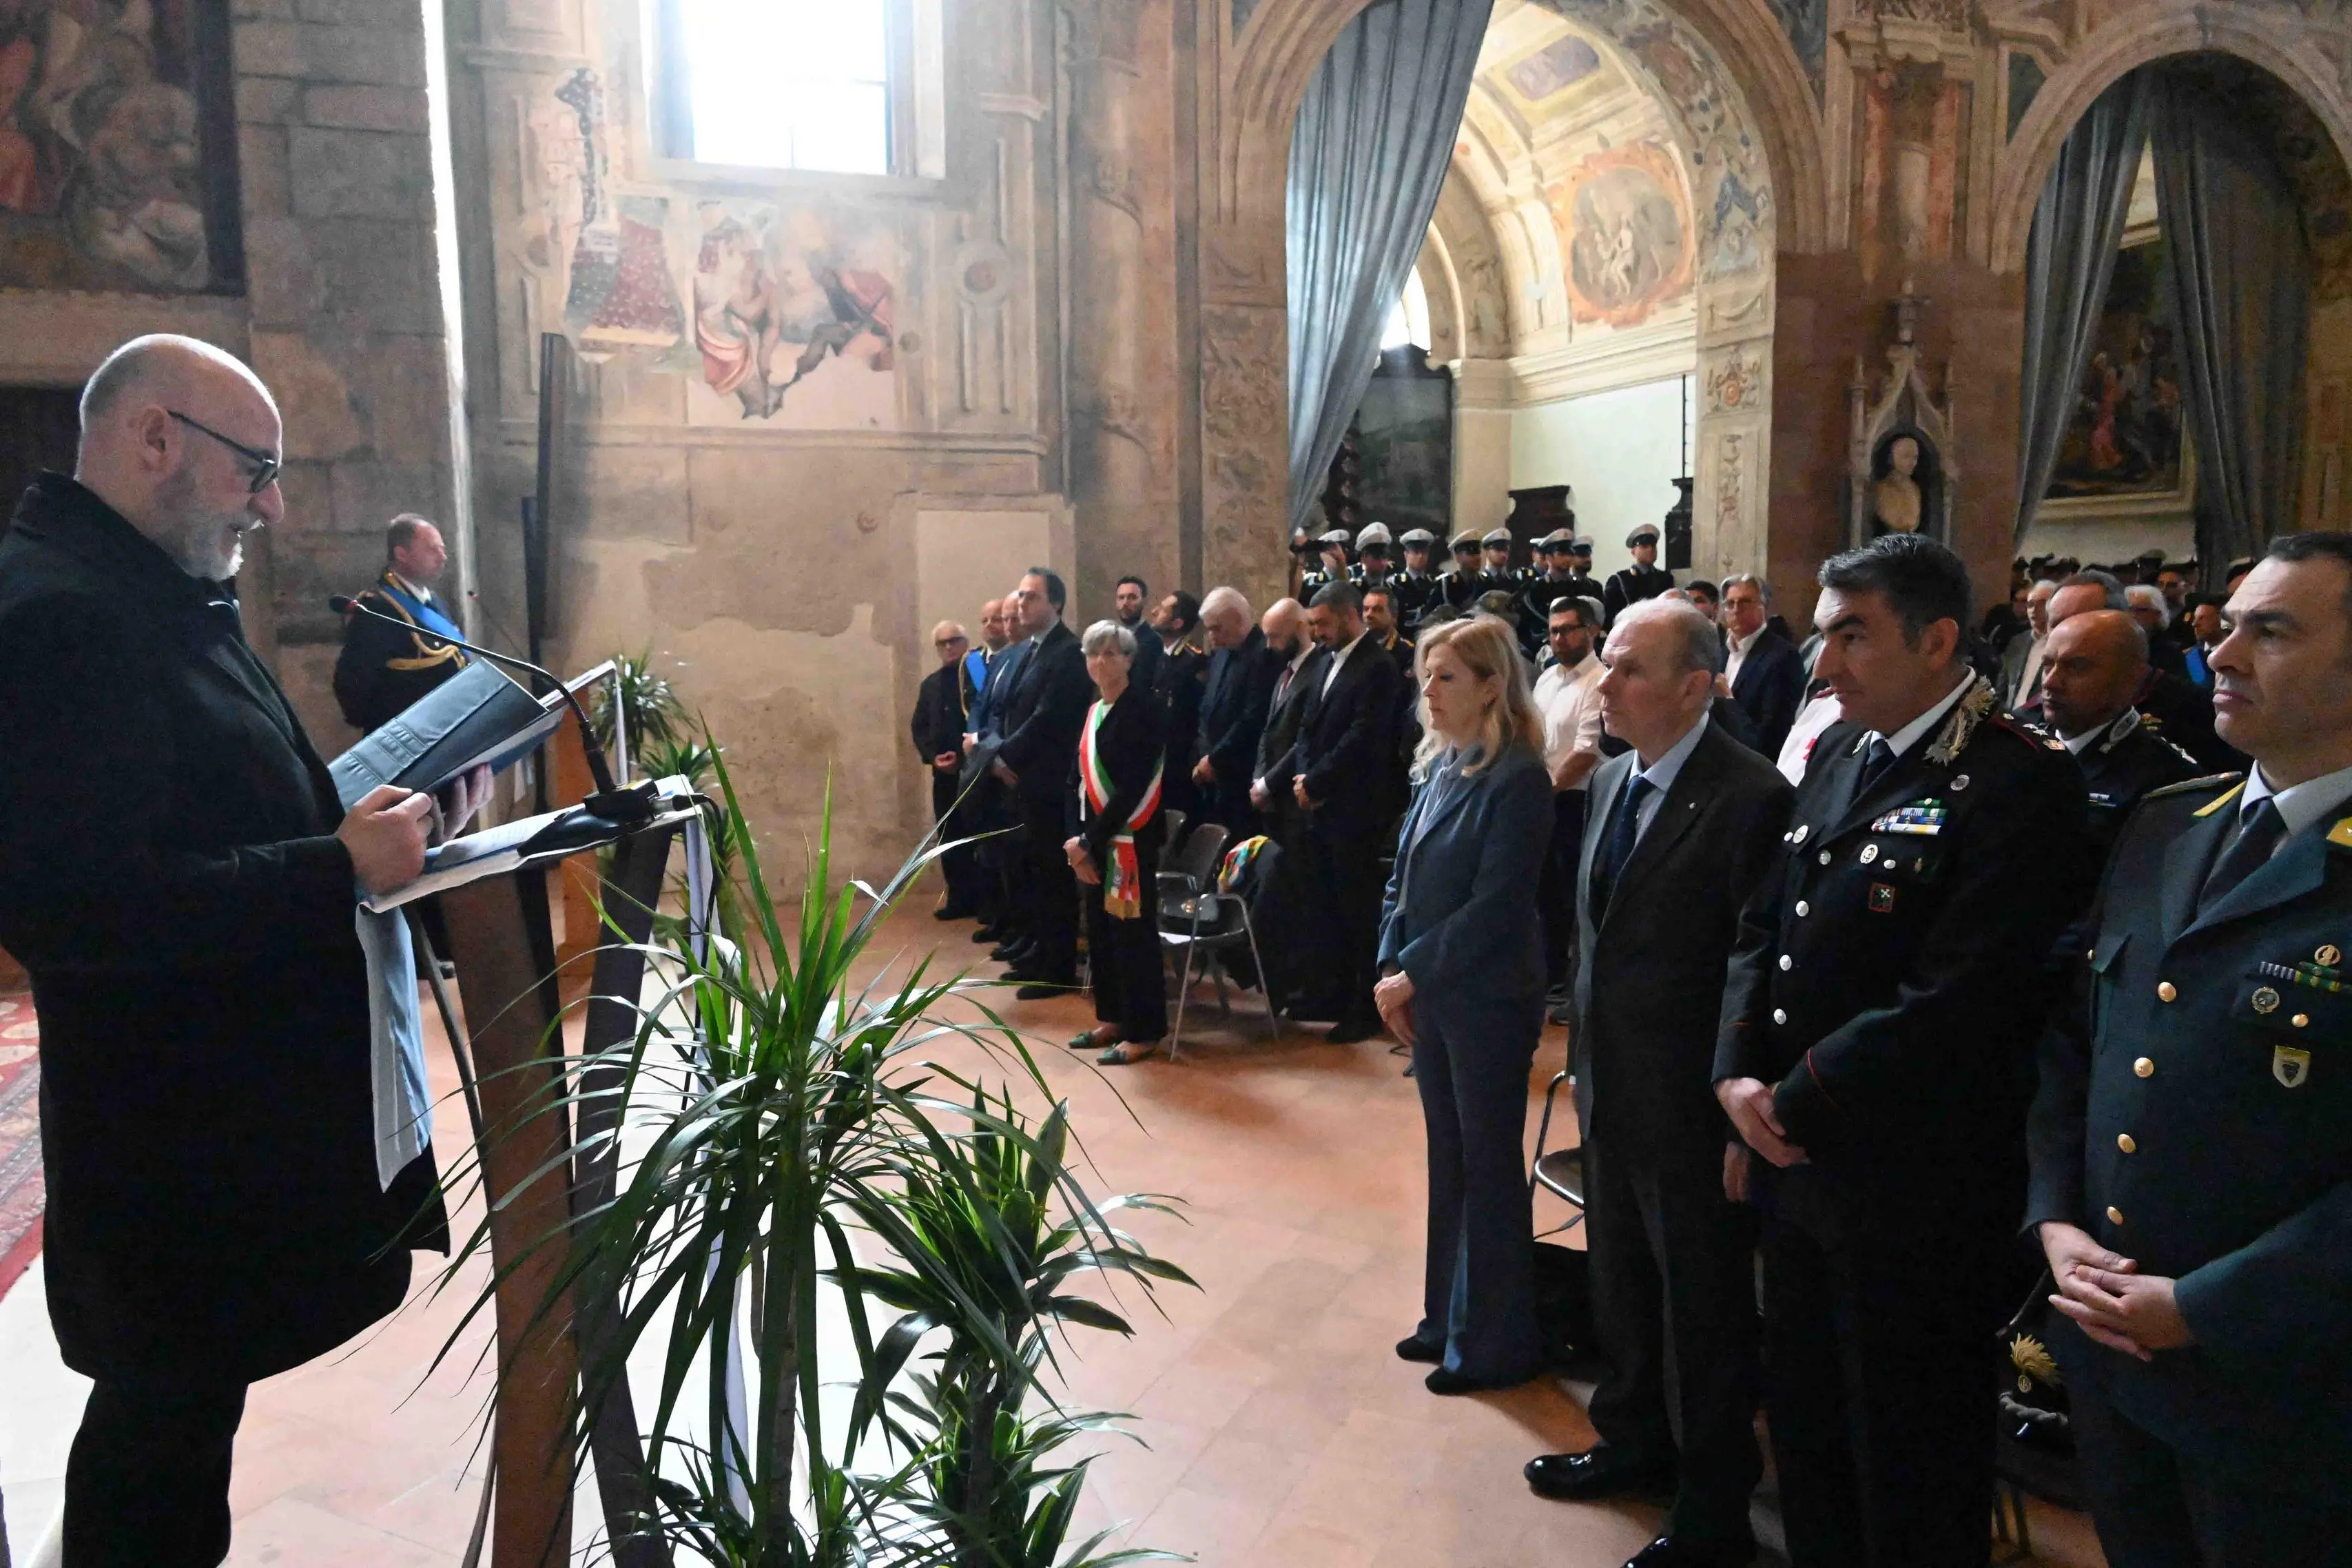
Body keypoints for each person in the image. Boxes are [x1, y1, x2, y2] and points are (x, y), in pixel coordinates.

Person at [0, 334, 450, 1565]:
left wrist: (340, 818)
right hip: (170, 1139)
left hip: (205, 1129)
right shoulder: (62, 616)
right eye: (255, 467)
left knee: (178, 1426)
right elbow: (80, 909)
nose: (273, 502)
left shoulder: (146, 589)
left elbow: (190, 804)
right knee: (158, 1438)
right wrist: (335, 864)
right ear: (156, 440)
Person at [1713, 533, 2094, 1568]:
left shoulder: (2015, 779)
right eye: (1823, 633)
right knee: (1809, 1431)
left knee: (1909, 1454)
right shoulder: (1842, 750)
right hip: (1802, 1167)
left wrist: (1789, 1099)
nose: (1821, 664)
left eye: (1850, 635)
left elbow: (1964, 998)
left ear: (1935, 641)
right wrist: (1736, 1074)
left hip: (1915, 1183)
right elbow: (1766, 928)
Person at [2028, 532, 2352, 1567]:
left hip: (2288, 1380)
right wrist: (2055, 1219)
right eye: (2227, 625)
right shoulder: (2172, 823)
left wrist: (2204, 1308)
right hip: (2116, 1346)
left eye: (2272, 631)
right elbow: (2080, 1044)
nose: (2220, 654)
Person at [1525, 597, 1793, 1568]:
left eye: (1630, 668)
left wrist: (1733, 1108)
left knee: (1699, 1311)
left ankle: (1712, 1505)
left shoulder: (1749, 796)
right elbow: (1595, 938)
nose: (1606, 683)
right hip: (1609, 1082)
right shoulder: (1608, 784)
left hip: (1689, 1100)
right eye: (1607, 663)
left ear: (1693, 687)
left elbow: (1750, 965)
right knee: (1623, 1283)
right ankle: (1630, 1440)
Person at [1375, 613, 1553, 1394]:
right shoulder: (1445, 765)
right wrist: (1392, 961)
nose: (1429, 689)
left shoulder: (1519, 776)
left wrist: (1412, 971)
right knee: (1450, 1158)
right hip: (1435, 992)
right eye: (1426, 673)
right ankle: (1444, 1319)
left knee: (1486, 1164)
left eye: (1446, 675)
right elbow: (1404, 880)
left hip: (1485, 998)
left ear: (1491, 684)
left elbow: (1498, 905)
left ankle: (1494, 1342)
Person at [1277, 582, 1403, 1042]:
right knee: (1324, 906)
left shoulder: (1378, 667)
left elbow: (1364, 737)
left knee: (1355, 911)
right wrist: (1304, 778)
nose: (1317, 633)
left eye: (1323, 624)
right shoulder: (1327, 662)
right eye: (1312, 625)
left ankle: (1362, 1007)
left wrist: (1316, 781)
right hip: (1320, 805)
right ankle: (1327, 992)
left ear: (1351, 618)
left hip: (1356, 809)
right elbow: (1308, 728)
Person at [1062, 620, 1169, 1066]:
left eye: (1110, 653)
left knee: (1132, 936)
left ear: (1128, 659)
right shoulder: (1095, 710)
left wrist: (1090, 839)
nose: (1100, 662)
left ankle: (1143, 1030)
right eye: (1093, 653)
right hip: (1095, 842)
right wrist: (1076, 840)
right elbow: (1076, 782)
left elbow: (1131, 788)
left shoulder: (1143, 709)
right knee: (1102, 934)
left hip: (1129, 840)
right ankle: (1112, 1017)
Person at [989, 568, 1093, 999]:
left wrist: (1005, 754)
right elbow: (1014, 709)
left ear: (1056, 605)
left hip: (1050, 783)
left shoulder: (1067, 652)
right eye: (1020, 594)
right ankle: (1038, 953)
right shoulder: (1033, 649)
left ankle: (1057, 967)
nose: (1021, 603)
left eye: (1032, 596)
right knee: (1033, 873)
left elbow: (1048, 719)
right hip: (1026, 781)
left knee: (1052, 876)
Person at [2032, 608, 2200, 861]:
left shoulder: (2166, 779)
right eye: (2048, 666)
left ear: (2131, 679)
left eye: (2076, 667)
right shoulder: (2021, 749)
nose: (2050, 682)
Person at [332, 513, 469, 734]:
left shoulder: (434, 602)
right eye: (432, 549)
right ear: (401, 554)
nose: (442, 557)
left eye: (442, 549)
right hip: (411, 739)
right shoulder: (377, 609)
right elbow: (353, 686)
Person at [1532, 598, 1604, 1016]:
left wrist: (1547, 791)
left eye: (1569, 629)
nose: (1559, 638)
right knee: (1543, 895)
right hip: (1545, 797)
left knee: (1568, 895)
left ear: (1592, 631)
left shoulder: (1599, 679)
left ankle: (1565, 984)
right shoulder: (1545, 680)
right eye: (1554, 630)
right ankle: (1548, 974)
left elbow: (1587, 751)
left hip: (1575, 801)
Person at [912, 620, 982, 919]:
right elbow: (919, 727)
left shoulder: (980, 671)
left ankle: (990, 904)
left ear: (966, 642)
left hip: (979, 774)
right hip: (945, 775)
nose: (949, 647)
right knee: (950, 838)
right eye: (942, 643)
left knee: (982, 838)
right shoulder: (931, 684)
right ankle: (960, 900)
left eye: (954, 640)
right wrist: (933, 757)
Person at [1192, 586, 1275, 832]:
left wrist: (1215, 759)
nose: (1211, 636)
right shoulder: (1222, 654)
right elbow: (1208, 708)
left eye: (1216, 628)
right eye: (1208, 629)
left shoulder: (1264, 655)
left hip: (1241, 775)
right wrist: (1203, 756)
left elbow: (1252, 718)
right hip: (1213, 776)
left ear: (1238, 618)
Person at [1722, 573, 1806, 759]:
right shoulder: (1722, 651)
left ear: (1763, 606)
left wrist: (1727, 699)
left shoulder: (1783, 656)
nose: (1736, 610)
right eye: (1730, 604)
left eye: (1744, 602)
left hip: (1755, 765)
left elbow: (1771, 736)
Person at [2000, 578, 2057, 708]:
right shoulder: (2017, 642)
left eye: (2042, 603)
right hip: (2011, 721)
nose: (2034, 609)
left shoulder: (2062, 645)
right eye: (2030, 604)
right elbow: (2002, 688)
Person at [1604, 522, 1674, 621]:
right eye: (1644, 546)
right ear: (1633, 552)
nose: (1650, 549)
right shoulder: (1619, 579)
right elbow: (1610, 616)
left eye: (1653, 546)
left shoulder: (1666, 578)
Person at [1112, 572, 1162, 690]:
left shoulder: (1153, 641)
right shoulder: (1109, 637)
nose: (1125, 603)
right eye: (1121, 597)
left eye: (1132, 597)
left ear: (1144, 601)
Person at [1394, 527, 1440, 628]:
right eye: (1416, 552)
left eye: (1424, 552)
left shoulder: (1434, 583)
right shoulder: (1396, 583)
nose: (1420, 556)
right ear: (1406, 555)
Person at [1440, 531, 1487, 612]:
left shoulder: (1486, 582)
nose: (1477, 557)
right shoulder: (1446, 584)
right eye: (1471, 553)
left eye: (1478, 552)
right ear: (1458, 557)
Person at [2182, 598, 2222, 689]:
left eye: (2202, 618)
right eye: (2195, 618)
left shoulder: (2238, 655)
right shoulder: (2187, 657)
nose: (2194, 624)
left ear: (2222, 620)